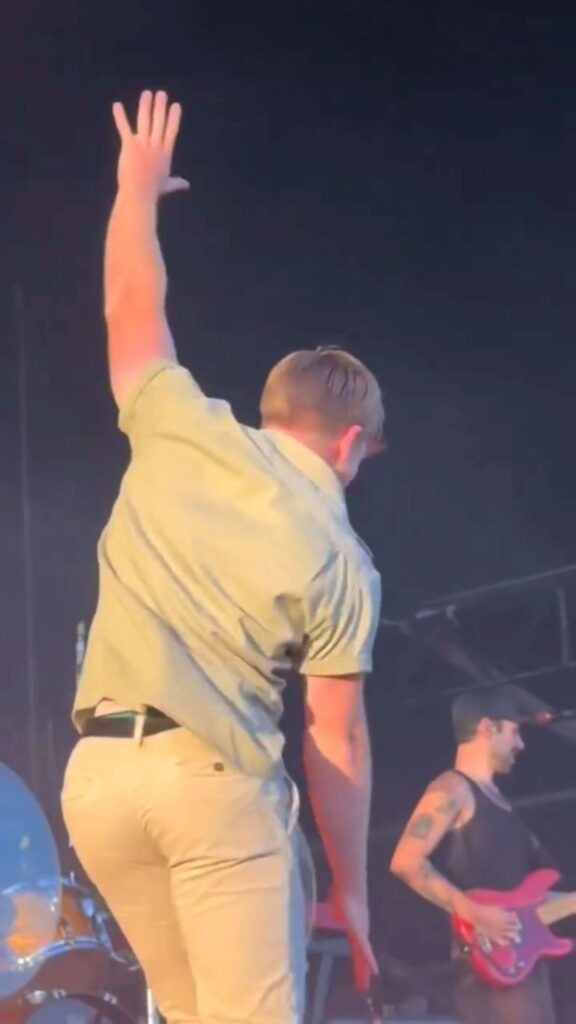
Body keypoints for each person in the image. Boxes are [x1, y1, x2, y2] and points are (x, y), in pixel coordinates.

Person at [60, 89, 384, 1024]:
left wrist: (135, 189)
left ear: (272, 408)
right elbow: (335, 739)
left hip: (100, 785)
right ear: (352, 443)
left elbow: (131, 299)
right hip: (211, 789)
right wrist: (352, 894)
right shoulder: (340, 554)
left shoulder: (181, 424)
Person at [390, 685, 560, 1024]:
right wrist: (474, 912)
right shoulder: (452, 789)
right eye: (515, 731)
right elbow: (406, 861)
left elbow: (527, 900)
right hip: (488, 961)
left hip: (524, 963)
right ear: (487, 728)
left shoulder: (503, 804)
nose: (521, 744)